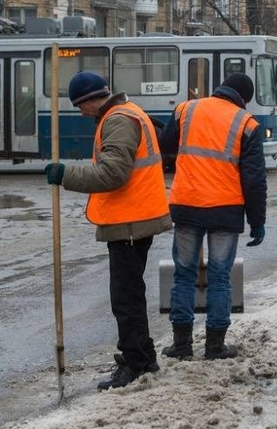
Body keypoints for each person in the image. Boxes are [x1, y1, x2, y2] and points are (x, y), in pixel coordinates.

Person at [44, 72, 172, 390]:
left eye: (80, 106)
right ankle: (143, 356)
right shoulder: (125, 113)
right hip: (134, 218)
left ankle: (135, 363)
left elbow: (112, 174)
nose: (80, 113)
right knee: (131, 294)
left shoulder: (117, 120)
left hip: (130, 221)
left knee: (125, 299)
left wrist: (64, 175)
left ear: (91, 99)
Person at [159, 72, 267, 362]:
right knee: (220, 277)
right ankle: (215, 346)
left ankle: (181, 345)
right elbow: (254, 178)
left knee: (184, 274)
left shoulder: (186, 109)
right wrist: (257, 221)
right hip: (225, 210)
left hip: (187, 204)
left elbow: (165, 144)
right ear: (243, 98)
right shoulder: (247, 123)